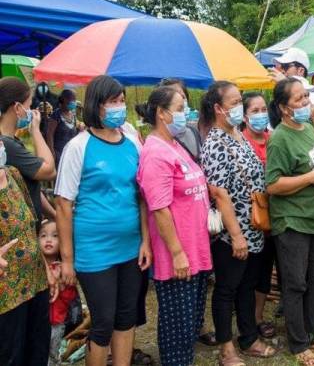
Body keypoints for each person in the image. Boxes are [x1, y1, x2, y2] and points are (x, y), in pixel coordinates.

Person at [54, 75, 152, 366]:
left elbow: (142, 196)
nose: (119, 107)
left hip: (131, 246)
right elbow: (62, 204)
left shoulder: (133, 141)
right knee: (103, 323)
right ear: (97, 106)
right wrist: (68, 260)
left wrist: (146, 241)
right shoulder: (78, 147)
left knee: (126, 318)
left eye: (121, 101)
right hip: (94, 250)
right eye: (113, 102)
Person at [200, 81, 275, 366]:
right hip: (233, 233)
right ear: (218, 109)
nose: (238, 107)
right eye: (233, 102)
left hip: (252, 227)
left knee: (246, 286)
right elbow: (219, 194)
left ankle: (249, 338)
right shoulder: (215, 143)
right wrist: (236, 236)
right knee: (227, 288)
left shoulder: (238, 135)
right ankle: (226, 349)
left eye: (239, 100)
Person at [137, 87, 213, 366]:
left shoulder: (175, 143)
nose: (186, 114)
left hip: (195, 247)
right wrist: (177, 252)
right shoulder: (155, 152)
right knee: (177, 326)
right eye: (180, 108)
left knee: (189, 322)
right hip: (178, 252)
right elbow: (159, 208)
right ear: (161, 113)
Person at [266, 77, 314, 366]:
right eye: (299, 99)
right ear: (284, 107)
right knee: (295, 284)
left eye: (306, 97)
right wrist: (309, 178)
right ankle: (298, 345)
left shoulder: (308, 128)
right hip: (292, 221)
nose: (306, 103)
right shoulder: (280, 138)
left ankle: (311, 333)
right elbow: (272, 184)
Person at [0, 142, 57, 366]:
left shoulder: (13, 174)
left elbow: (30, 228)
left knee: (38, 350)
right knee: (11, 355)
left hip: (35, 283)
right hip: (6, 293)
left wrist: (45, 269)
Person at [240, 92, 277, 339]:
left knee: (265, 270)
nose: (261, 114)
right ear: (244, 116)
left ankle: (258, 316)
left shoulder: (274, 139)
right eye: (255, 110)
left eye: (264, 109)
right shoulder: (240, 143)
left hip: (275, 215)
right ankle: (246, 320)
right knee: (250, 272)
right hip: (250, 217)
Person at [0, 77, 57, 226]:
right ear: (18, 108)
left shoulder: (12, 141)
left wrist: (54, 215)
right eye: (29, 106)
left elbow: (32, 186)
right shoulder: (6, 145)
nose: (31, 112)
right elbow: (49, 170)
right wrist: (36, 130)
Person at [39, 219, 78, 366]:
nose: (48, 239)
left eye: (55, 236)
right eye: (43, 235)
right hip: (36, 320)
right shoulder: (34, 269)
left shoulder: (65, 269)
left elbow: (70, 297)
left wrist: (61, 284)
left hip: (56, 322)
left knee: (52, 354)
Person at [46, 89, 80, 164]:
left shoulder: (73, 114)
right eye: (72, 100)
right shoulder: (56, 115)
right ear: (64, 100)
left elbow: (74, 131)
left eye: (75, 100)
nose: (74, 102)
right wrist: (52, 152)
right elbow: (49, 134)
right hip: (59, 153)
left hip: (71, 153)